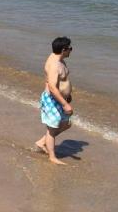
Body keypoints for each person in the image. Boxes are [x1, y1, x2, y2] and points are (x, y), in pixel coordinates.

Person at [36, 36, 74, 165]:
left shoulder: (58, 58)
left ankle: (42, 142)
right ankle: (52, 157)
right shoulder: (54, 65)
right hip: (53, 99)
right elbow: (52, 87)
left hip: (60, 98)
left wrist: (67, 95)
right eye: (70, 49)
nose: (71, 51)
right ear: (63, 50)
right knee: (52, 129)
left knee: (66, 123)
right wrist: (65, 104)